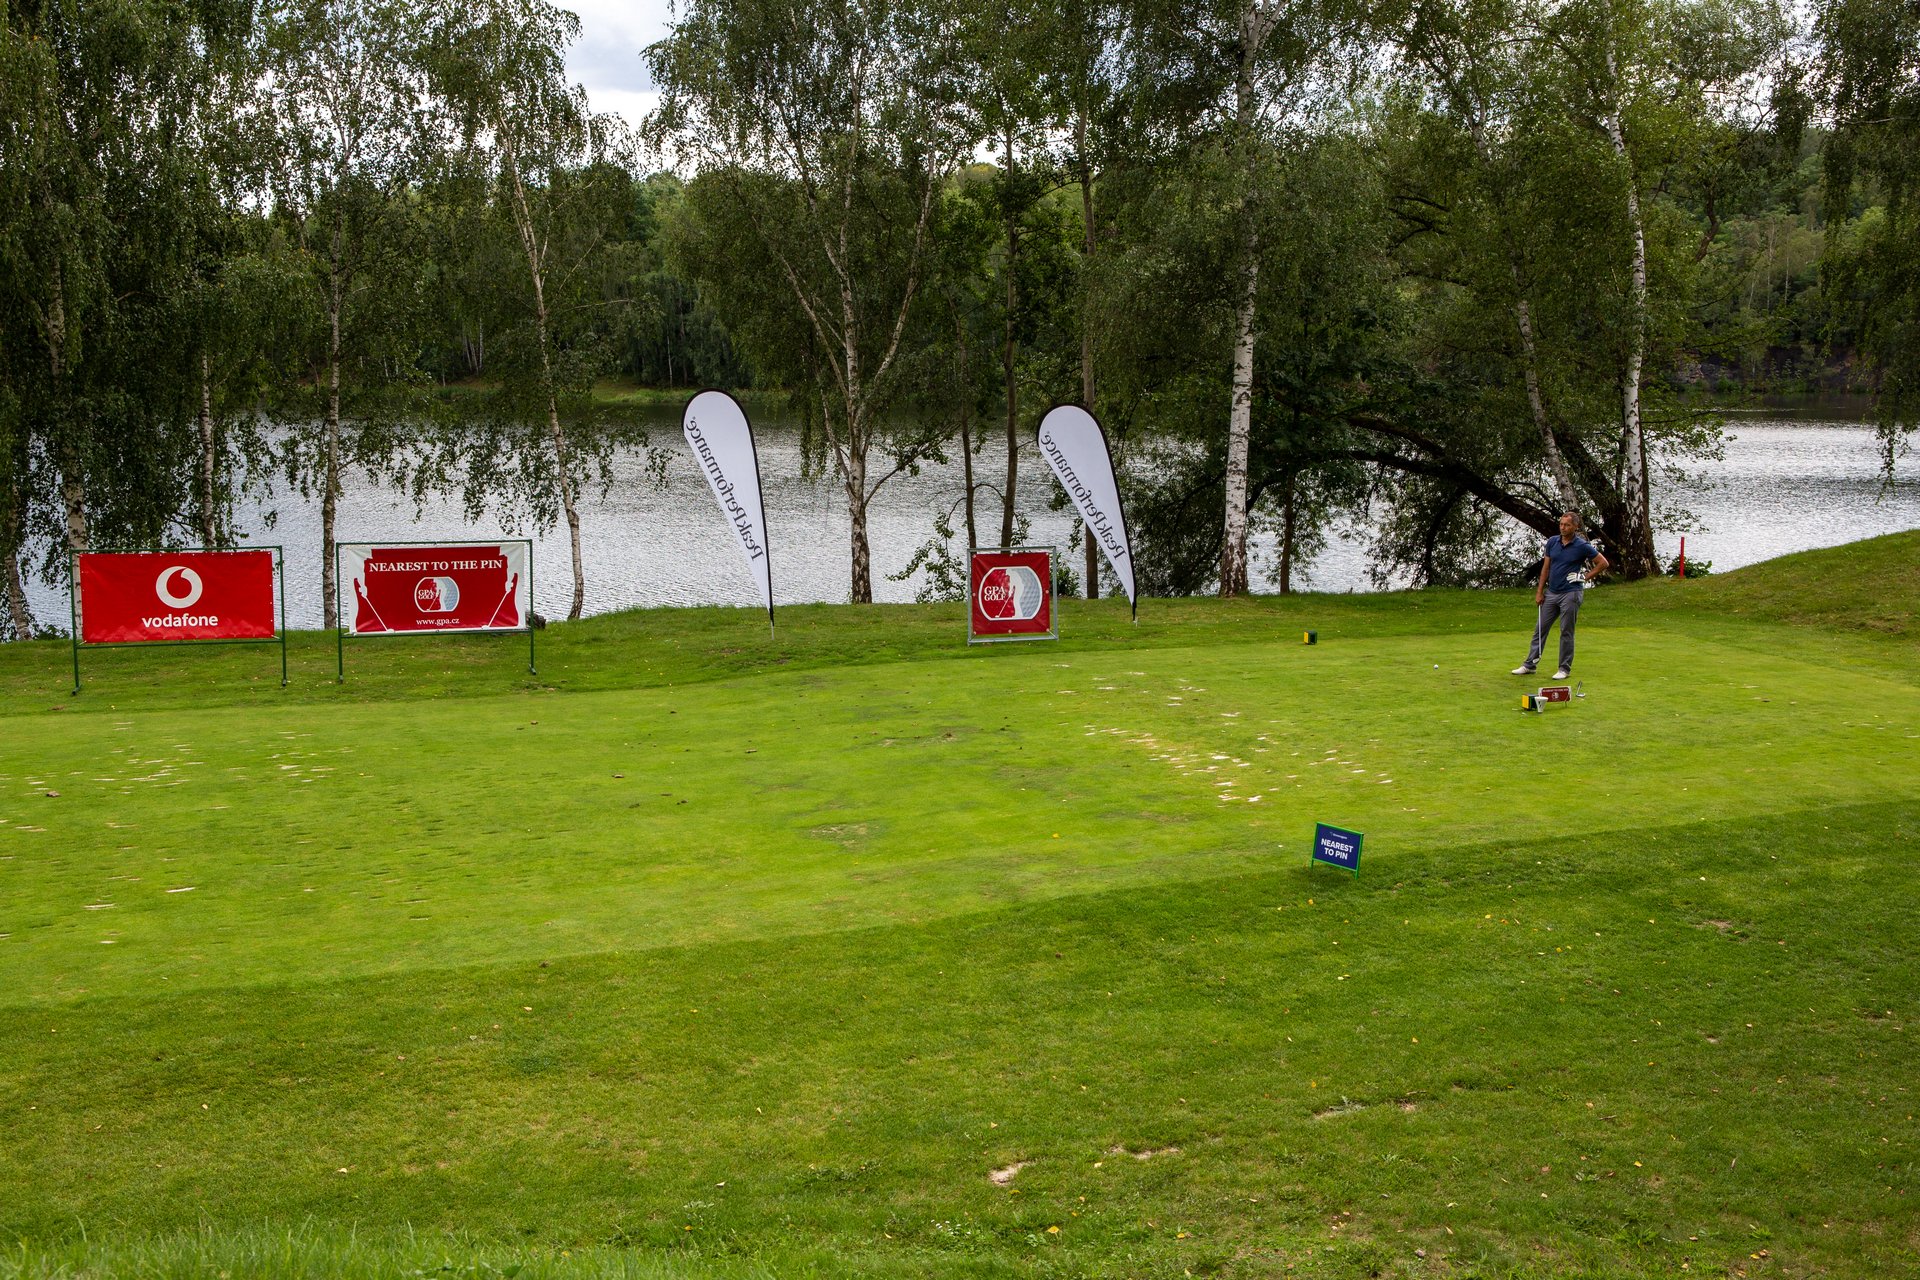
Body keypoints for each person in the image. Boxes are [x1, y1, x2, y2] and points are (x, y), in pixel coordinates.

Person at [1512, 512, 1609, 681]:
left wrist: (1584, 577)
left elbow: (1603, 563)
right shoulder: (1552, 542)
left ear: (1575, 527)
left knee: (1566, 632)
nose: (1563, 528)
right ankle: (1530, 665)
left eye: (1567, 525)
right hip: (1552, 592)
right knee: (1540, 629)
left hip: (1571, 593)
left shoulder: (1582, 545)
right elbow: (1546, 568)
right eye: (1561, 524)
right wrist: (1539, 591)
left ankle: (1564, 669)